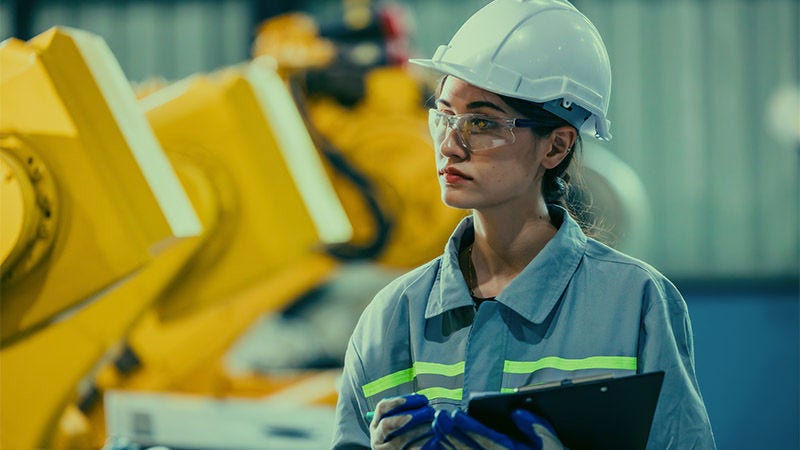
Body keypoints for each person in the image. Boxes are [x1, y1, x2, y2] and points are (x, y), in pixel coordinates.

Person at [332, 0, 716, 448]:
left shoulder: (634, 304)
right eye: (443, 115)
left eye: (480, 122)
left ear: (555, 147)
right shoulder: (393, 315)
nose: (450, 145)